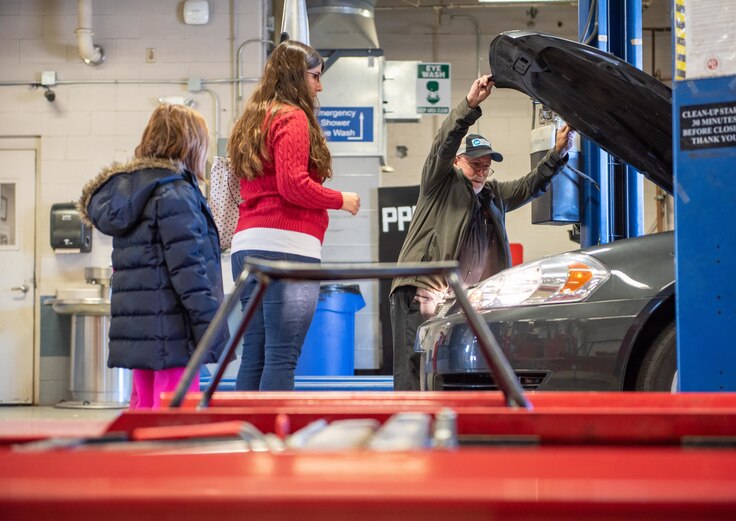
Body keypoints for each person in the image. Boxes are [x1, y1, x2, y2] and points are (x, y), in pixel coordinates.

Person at [390, 74, 575, 391]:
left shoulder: (494, 196)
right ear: (459, 161)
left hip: (459, 297)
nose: (482, 168)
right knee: (415, 365)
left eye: (487, 163)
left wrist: (556, 154)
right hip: (422, 289)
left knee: (451, 367)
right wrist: (470, 105)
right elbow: (443, 144)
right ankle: (411, 429)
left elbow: (531, 185)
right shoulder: (440, 184)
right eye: (475, 162)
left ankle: (446, 425)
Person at [227, 39, 361, 391]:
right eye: (315, 76)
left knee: (254, 354)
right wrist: (340, 199)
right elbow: (293, 185)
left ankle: (247, 438)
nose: (320, 86)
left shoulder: (252, 120)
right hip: (287, 246)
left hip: (246, 246)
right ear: (295, 76)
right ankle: (273, 442)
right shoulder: (293, 116)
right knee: (282, 357)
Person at [78, 104, 228, 408]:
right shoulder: (176, 194)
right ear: (190, 144)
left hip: (142, 332)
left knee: (143, 408)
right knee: (173, 414)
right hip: (173, 331)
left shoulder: (132, 191)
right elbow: (189, 271)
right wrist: (212, 326)